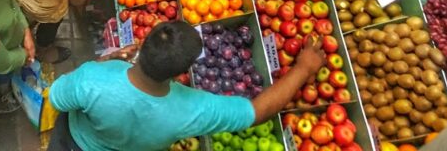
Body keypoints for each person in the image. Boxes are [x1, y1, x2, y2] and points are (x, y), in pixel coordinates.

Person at [47, 21, 327, 151]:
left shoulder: (94, 79)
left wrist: (105, 62)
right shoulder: (191, 109)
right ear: (183, 72)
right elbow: (256, 112)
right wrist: (303, 69)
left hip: (69, 143)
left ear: (142, 46)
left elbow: (57, 98)